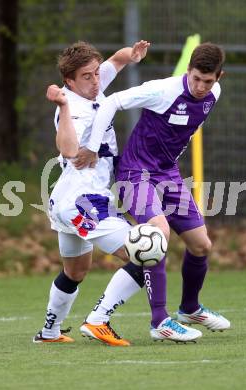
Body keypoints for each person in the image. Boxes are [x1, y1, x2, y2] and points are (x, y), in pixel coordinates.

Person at [33, 40, 199, 347]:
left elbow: (115, 62)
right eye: (87, 76)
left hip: (68, 200)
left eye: (96, 73)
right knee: (147, 250)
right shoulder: (73, 108)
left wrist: (131, 56)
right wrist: (63, 106)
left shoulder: (91, 85)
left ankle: (49, 332)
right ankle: (99, 320)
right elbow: (68, 148)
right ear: (69, 81)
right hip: (84, 203)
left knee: (76, 270)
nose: (96, 80)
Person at [79, 42, 231, 338]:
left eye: (208, 81)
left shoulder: (215, 94)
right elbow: (112, 103)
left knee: (202, 245)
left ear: (219, 77)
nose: (201, 86)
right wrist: (92, 147)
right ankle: (160, 322)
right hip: (136, 173)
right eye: (196, 78)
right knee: (157, 235)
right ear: (188, 70)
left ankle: (189, 308)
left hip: (167, 173)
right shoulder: (163, 90)